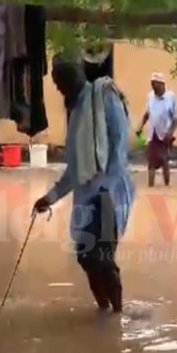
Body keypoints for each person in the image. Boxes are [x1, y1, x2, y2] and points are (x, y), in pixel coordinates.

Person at [33, 56, 135, 313]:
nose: (61, 87)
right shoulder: (76, 113)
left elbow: (119, 144)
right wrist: (50, 197)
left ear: (79, 73)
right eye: (57, 83)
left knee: (101, 257)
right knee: (85, 258)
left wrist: (106, 187)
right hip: (87, 196)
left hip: (109, 192)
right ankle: (103, 312)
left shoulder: (104, 96)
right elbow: (75, 170)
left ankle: (117, 317)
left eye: (65, 78)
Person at [136, 72, 177, 187]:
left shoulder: (171, 97)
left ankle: (167, 186)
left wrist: (170, 132)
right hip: (153, 134)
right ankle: (151, 187)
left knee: (164, 161)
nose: (153, 87)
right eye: (152, 85)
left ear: (162, 84)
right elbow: (147, 114)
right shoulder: (150, 96)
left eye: (155, 84)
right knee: (151, 162)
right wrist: (140, 126)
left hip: (165, 134)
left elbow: (176, 118)